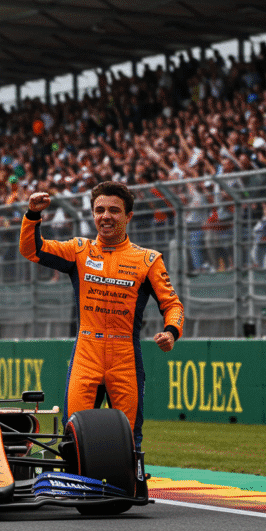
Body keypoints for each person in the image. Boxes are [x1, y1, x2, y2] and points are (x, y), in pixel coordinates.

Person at [19, 181, 184, 450]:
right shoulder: (78, 250)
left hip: (125, 356)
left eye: (114, 210)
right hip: (87, 353)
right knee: (73, 435)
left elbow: (172, 305)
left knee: (129, 438)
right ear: (93, 214)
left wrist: (171, 331)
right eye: (99, 210)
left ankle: (127, 490)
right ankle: (76, 490)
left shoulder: (148, 260)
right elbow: (31, 250)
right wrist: (33, 216)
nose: (106, 216)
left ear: (128, 217)